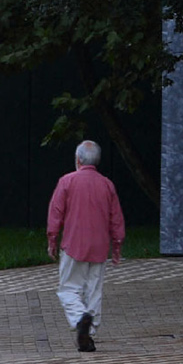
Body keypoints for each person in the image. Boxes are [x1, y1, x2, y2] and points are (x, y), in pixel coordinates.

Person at [46, 139, 126, 353]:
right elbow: (116, 218)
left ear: (78, 159)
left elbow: (56, 212)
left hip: (74, 245)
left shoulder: (67, 181)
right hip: (99, 247)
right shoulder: (107, 184)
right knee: (94, 290)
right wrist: (117, 245)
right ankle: (89, 333)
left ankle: (80, 318)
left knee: (68, 289)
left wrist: (52, 239)